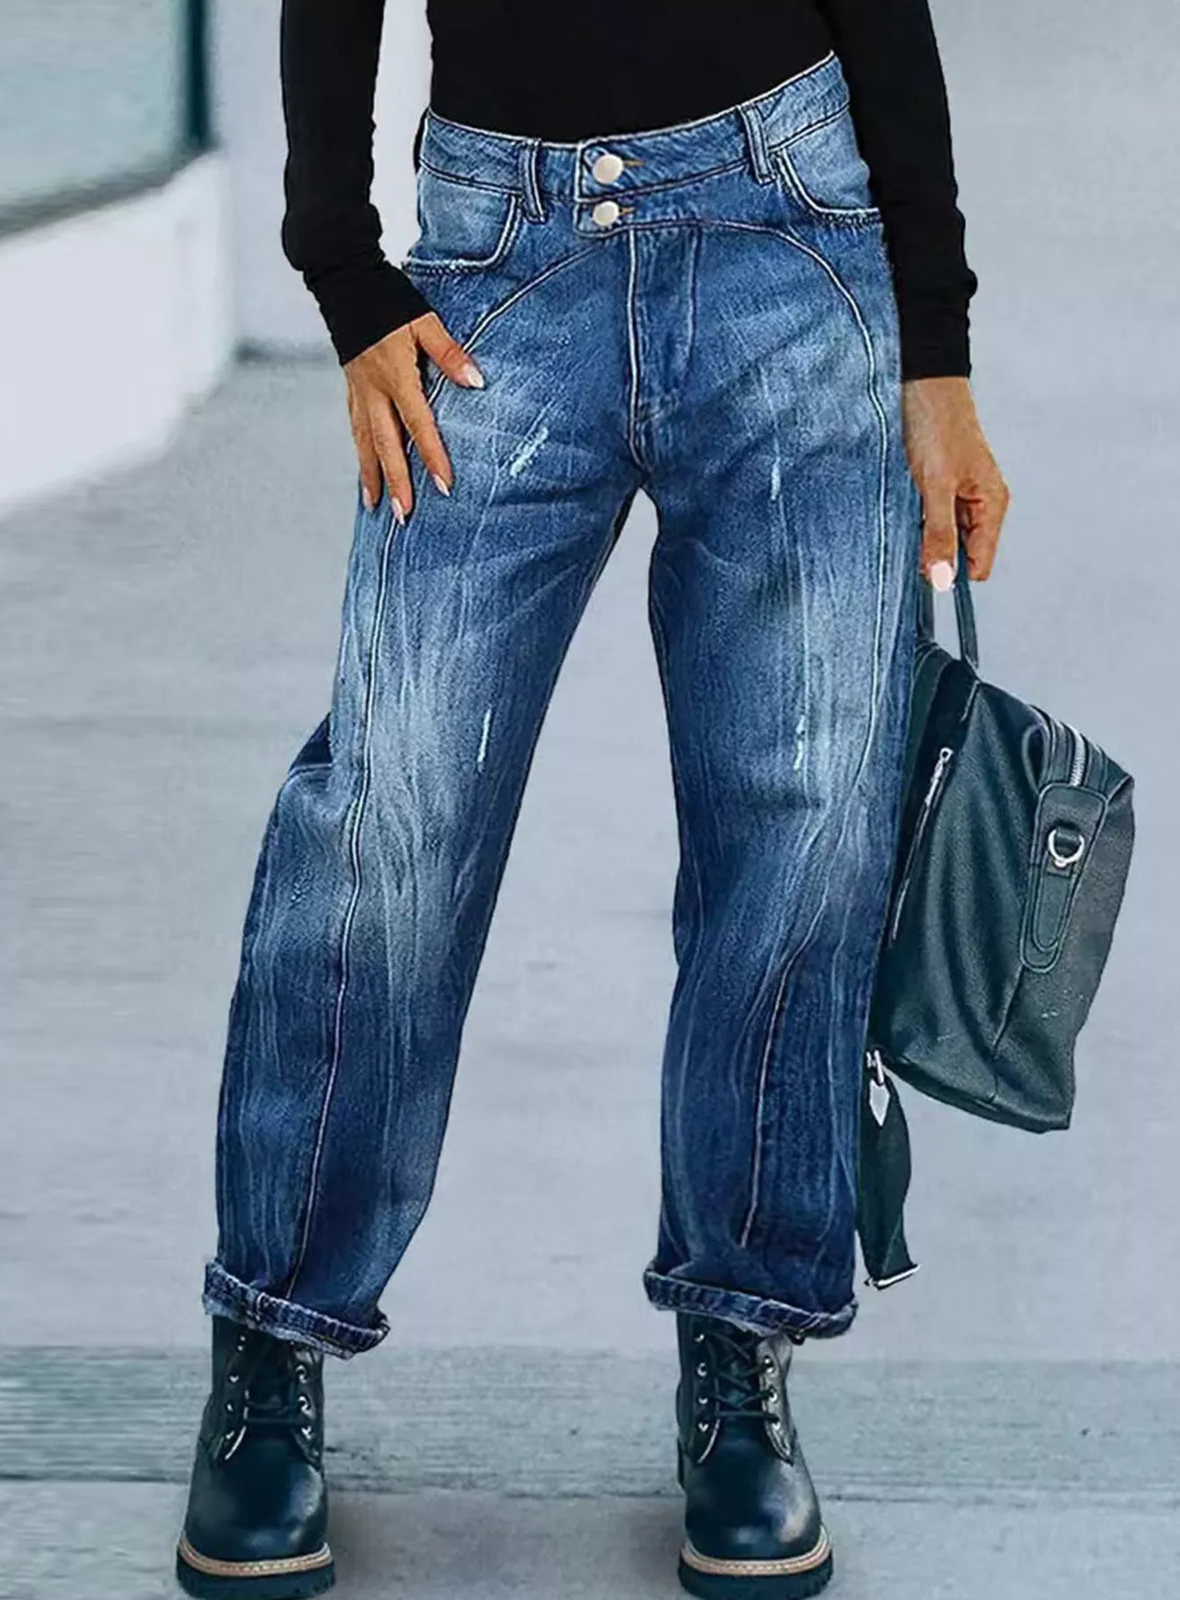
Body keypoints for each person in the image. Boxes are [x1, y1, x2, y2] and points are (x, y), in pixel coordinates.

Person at [175, 3, 1011, 1597]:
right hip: (505, 263)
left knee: (803, 834)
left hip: (792, 235)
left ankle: (741, 1358)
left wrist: (940, 347)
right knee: (389, 822)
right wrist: (343, 270)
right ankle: (271, 1350)